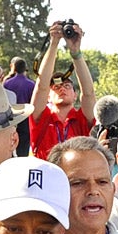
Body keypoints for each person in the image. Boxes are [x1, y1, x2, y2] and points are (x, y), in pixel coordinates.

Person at [29, 19, 95, 160]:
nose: (61, 89)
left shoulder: (81, 119)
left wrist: (75, 52)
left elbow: (89, 93)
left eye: (67, 86)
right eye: (56, 87)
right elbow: (41, 86)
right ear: (48, 96)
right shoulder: (42, 118)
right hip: (46, 178)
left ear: (75, 95)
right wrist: (54, 43)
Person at [3, 56, 34, 157]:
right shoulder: (31, 84)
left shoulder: (7, 83)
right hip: (25, 117)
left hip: (11, 117)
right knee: (24, 145)